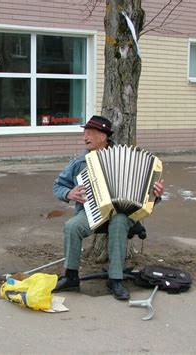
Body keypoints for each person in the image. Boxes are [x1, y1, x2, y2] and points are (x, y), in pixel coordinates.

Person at [52, 115, 165, 300]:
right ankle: (71, 277)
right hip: (91, 211)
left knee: (119, 221)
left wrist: (156, 194)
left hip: (123, 212)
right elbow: (58, 186)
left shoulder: (130, 158)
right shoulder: (80, 163)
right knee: (72, 227)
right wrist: (68, 193)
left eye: (90, 133)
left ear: (104, 136)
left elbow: (149, 194)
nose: (85, 137)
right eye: (84, 133)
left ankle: (115, 279)